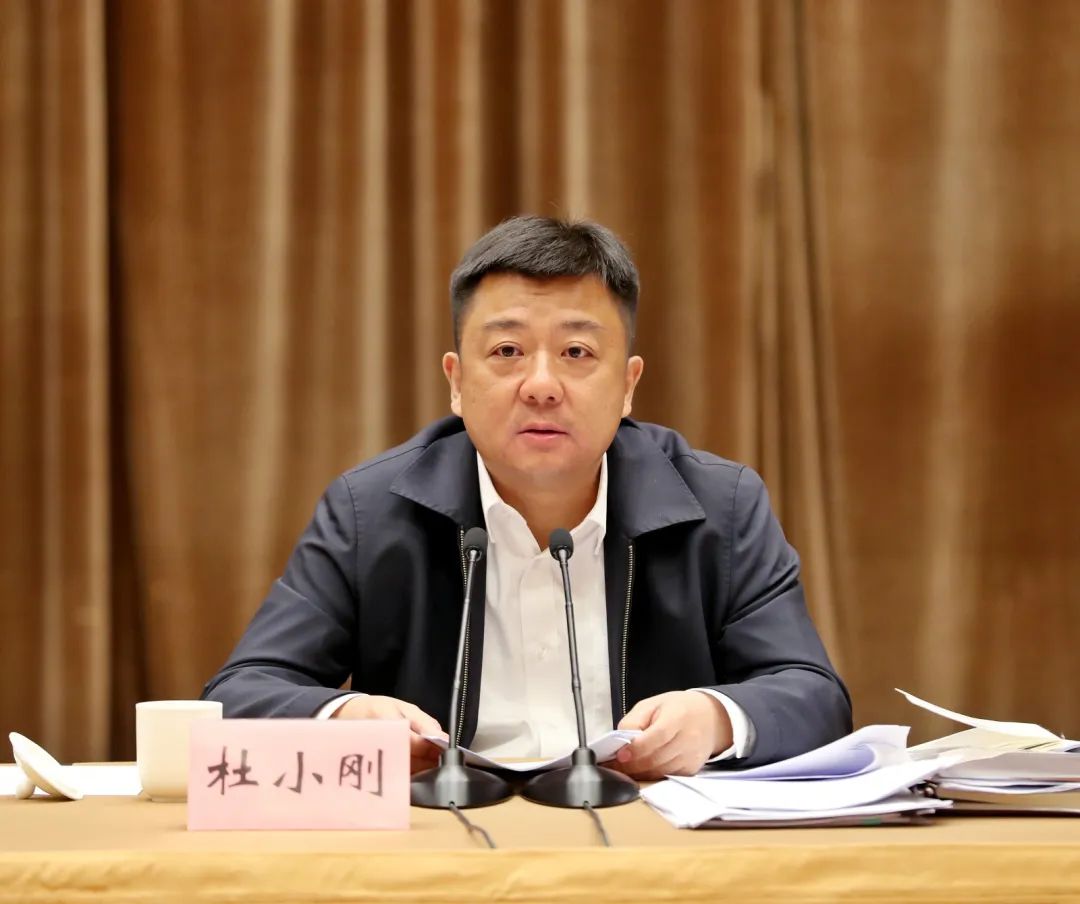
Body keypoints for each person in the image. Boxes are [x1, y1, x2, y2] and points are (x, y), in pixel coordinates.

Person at [202, 215, 851, 779]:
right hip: (446, 842)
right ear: (456, 382)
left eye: (577, 352)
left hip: (647, 838)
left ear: (628, 385)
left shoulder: (720, 505)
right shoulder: (370, 511)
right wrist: (345, 716)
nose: (541, 385)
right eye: (507, 350)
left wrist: (715, 718)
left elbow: (815, 697)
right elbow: (238, 695)